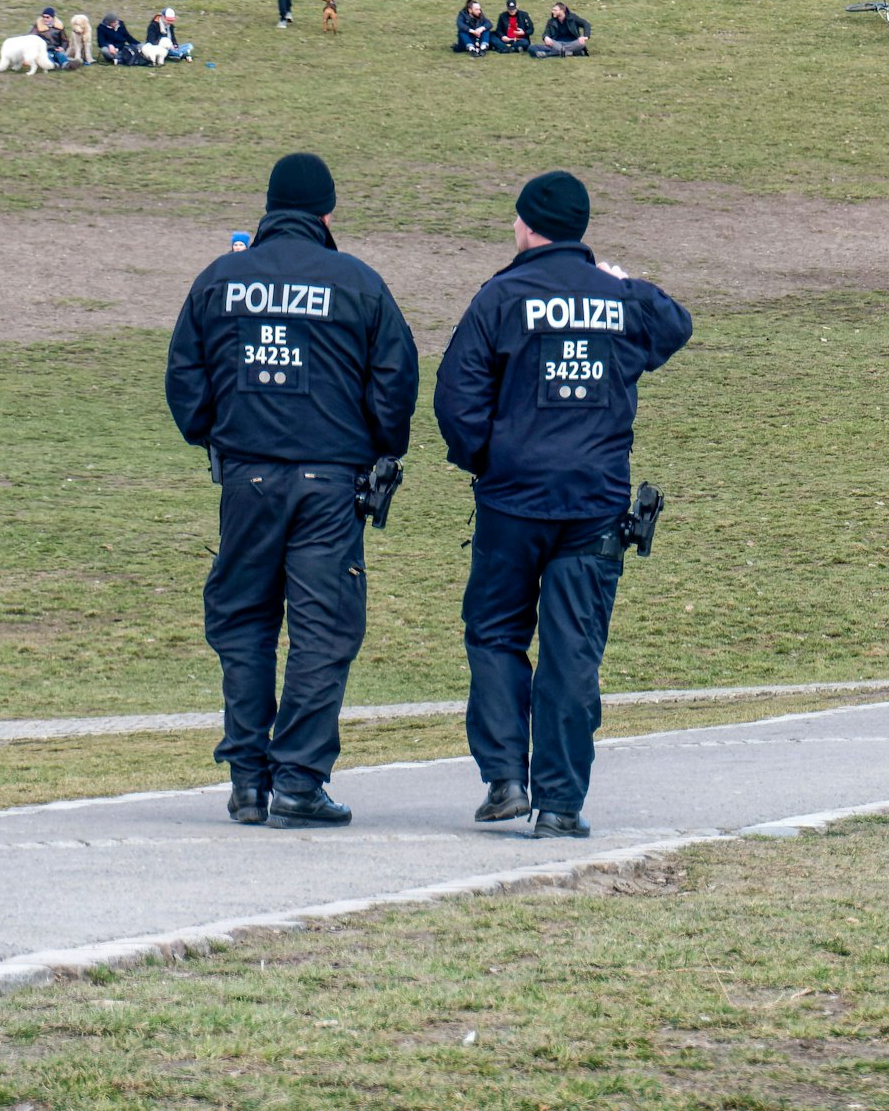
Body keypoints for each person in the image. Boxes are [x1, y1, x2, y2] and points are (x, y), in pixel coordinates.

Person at [433, 171, 692, 838]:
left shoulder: (500, 296)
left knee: (494, 632)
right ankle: (560, 801)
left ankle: (505, 780)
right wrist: (621, 279)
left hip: (512, 500)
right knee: (573, 652)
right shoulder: (618, 299)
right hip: (594, 504)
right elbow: (675, 324)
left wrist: (488, 460)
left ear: (526, 226)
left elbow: (455, 400)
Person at [164, 152, 419, 828]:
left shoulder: (220, 278)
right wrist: (377, 447)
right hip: (329, 485)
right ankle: (300, 778)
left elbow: (184, 378)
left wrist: (217, 434)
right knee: (322, 629)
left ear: (270, 207)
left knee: (245, 622)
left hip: (245, 478)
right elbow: (395, 381)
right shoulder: (358, 283)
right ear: (327, 213)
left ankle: (249, 780)